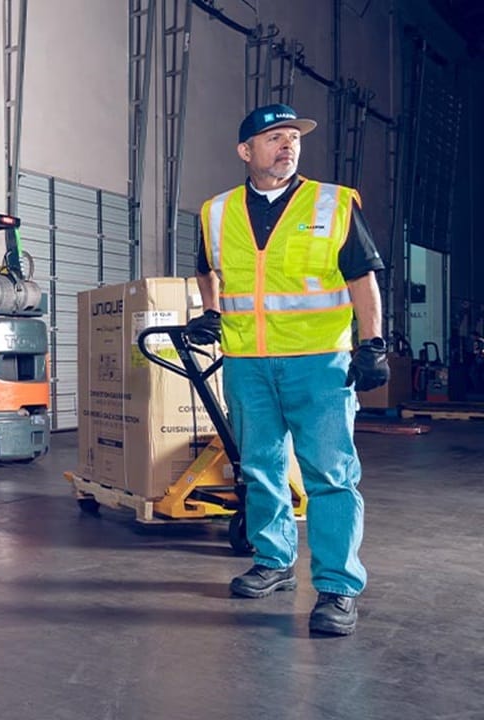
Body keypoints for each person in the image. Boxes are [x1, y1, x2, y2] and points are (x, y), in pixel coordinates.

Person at [187, 103, 389, 636]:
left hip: (319, 363)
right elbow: (206, 268)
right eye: (274, 137)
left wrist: (372, 343)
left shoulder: (334, 203)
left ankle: (338, 588)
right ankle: (274, 562)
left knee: (330, 475)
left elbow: (363, 278)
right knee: (259, 468)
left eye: (292, 137)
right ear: (245, 151)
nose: (287, 145)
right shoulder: (215, 211)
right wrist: (211, 312)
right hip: (248, 364)